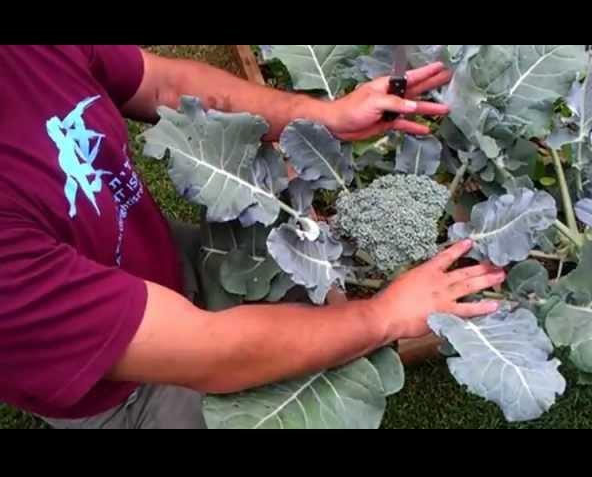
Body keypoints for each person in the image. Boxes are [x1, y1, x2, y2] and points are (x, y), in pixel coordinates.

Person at [0, 45, 506, 429]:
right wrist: (384, 314)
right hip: (119, 388)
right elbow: (207, 350)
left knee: (303, 317)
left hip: (151, 259)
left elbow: (161, 84)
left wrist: (323, 117)